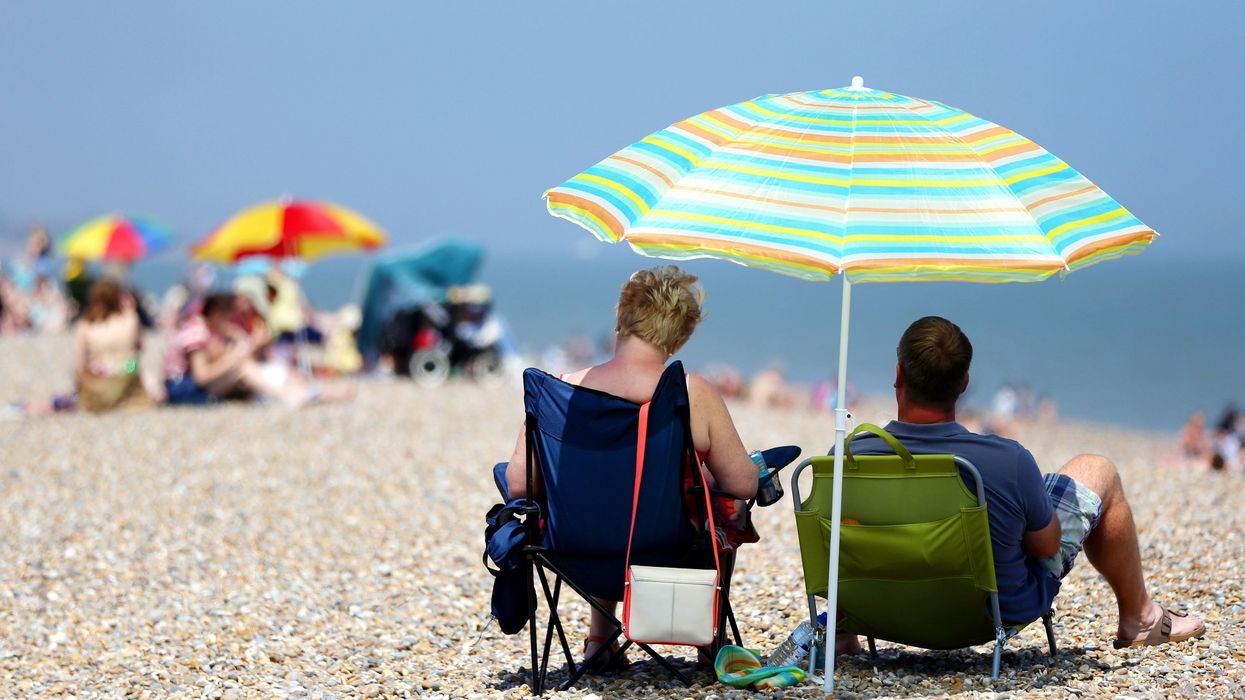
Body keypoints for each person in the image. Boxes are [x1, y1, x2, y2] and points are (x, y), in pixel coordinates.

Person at [842, 316, 1205, 653]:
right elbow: (1046, 548)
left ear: (898, 375)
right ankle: (1139, 618)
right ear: (965, 383)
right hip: (988, 613)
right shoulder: (1006, 460)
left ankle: (842, 635)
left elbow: (839, 548)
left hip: (882, 612)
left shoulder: (849, 458)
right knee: (1097, 469)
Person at [504, 266, 759, 669]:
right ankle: (708, 643)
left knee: (604, 490)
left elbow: (519, 484)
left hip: (571, 556)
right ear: (679, 338)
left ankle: (599, 641)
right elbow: (743, 483)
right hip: (665, 557)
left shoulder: (558, 389)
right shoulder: (690, 393)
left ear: (620, 320)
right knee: (721, 512)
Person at [163, 292, 346, 407]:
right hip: (183, 388)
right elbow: (201, 376)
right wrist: (240, 351)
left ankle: (305, 393)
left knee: (252, 366)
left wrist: (239, 343)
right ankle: (293, 395)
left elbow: (216, 360)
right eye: (228, 316)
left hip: (183, 384)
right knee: (244, 368)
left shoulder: (205, 331)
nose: (230, 321)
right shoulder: (197, 332)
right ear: (217, 314)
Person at [71, 278, 152, 412]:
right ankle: (130, 395)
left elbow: (79, 364)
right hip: (128, 369)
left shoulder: (85, 325)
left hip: (101, 370)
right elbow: (140, 346)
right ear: (117, 298)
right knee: (132, 362)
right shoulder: (130, 319)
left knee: (94, 366)